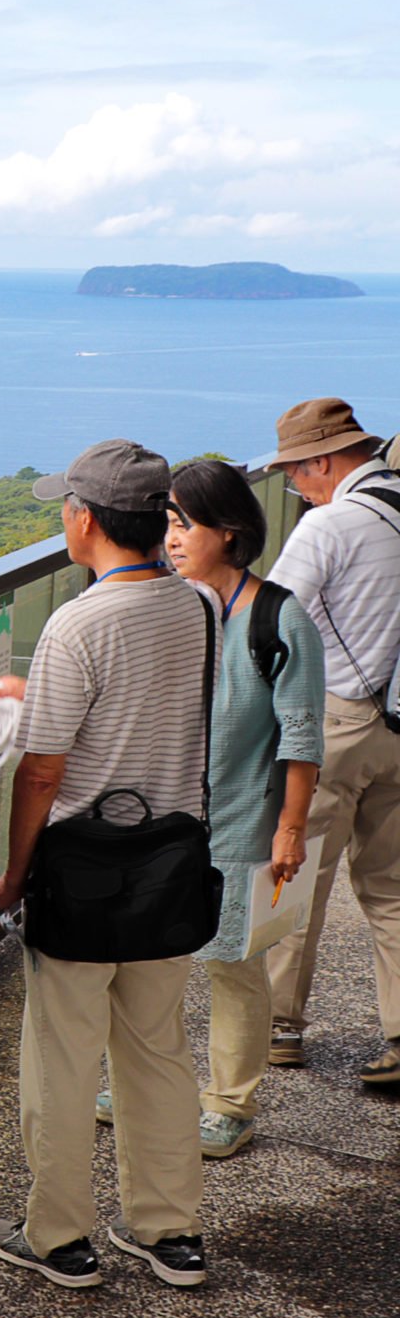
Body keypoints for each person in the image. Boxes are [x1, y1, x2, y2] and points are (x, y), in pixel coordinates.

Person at [0, 440, 211, 1291]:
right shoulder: (196, 608)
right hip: (172, 858)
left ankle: (60, 1236)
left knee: (65, 1053)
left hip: (82, 865)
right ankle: (169, 1229)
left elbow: (43, 768)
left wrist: (11, 874)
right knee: (157, 1049)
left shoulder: (80, 620)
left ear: (85, 517)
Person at [93, 460, 321, 1158]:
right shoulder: (168, 604)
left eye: (184, 524)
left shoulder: (279, 618)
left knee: (230, 964)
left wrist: (290, 829)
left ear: (230, 531)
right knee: (145, 959)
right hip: (162, 820)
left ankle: (229, 1103)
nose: (171, 538)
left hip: (241, 823)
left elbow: (302, 736)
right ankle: (143, 1080)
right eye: (165, 523)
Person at [257, 398, 400, 1086]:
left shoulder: (330, 525)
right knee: (392, 888)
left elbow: (273, 622)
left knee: (297, 875)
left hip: (339, 722)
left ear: (321, 460)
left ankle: (279, 1027)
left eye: (295, 473)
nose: (296, 487)